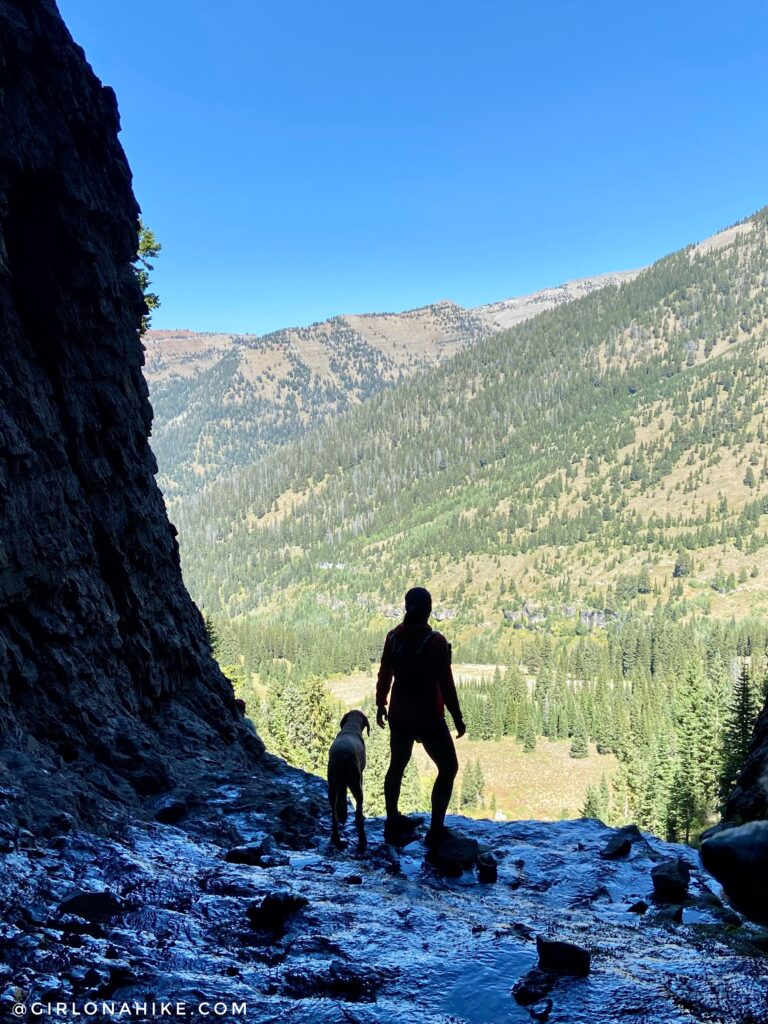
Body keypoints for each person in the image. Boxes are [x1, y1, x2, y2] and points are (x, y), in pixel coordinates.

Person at [376, 586, 466, 846]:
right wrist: (457, 718)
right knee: (448, 767)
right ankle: (436, 829)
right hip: (428, 716)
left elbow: (385, 674)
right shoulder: (435, 642)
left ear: (407, 608)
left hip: (400, 715)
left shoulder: (393, 637)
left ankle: (392, 820)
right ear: (428, 610)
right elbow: (446, 685)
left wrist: (381, 703)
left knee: (397, 766)